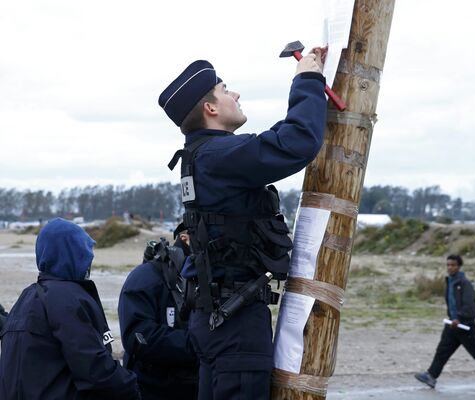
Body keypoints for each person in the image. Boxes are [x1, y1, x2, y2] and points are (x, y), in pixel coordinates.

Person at [158, 49, 327, 400]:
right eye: (225, 90)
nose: (235, 95)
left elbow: (273, 140)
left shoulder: (204, 155)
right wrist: (307, 79)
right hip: (234, 323)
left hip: (217, 317)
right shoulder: (219, 156)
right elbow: (295, 142)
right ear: (211, 108)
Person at [0, 218, 139, 399]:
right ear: (75, 254)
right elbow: (95, 369)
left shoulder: (27, 296)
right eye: (86, 255)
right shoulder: (67, 298)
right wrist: (131, 386)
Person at [118, 231, 198, 400]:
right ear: (184, 238)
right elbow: (137, 336)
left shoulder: (209, 279)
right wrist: (197, 344)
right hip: (153, 389)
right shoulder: (145, 277)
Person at [414, 254, 475, 391]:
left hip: (465, 326)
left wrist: (459, 318)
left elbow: (470, 306)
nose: (450, 267)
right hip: (451, 324)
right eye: (448, 265)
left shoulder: (465, 284)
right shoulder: (450, 282)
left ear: (459, 266)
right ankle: (431, 376)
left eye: (453, 265)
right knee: (442, 351)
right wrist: (452, 319)